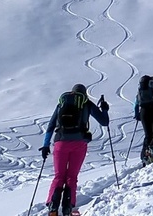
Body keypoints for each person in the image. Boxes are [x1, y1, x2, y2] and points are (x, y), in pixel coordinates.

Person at [39, 83, 109, 216]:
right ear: (84, 93)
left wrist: (45, 145)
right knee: (72, 176)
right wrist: (104, 109)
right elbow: (104, 122)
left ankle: (53, 207)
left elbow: (51, 125)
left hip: (60, 142)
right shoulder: (86, 103)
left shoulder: (62, 103)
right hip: (79, 143)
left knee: (59, 176)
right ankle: (67, 208)